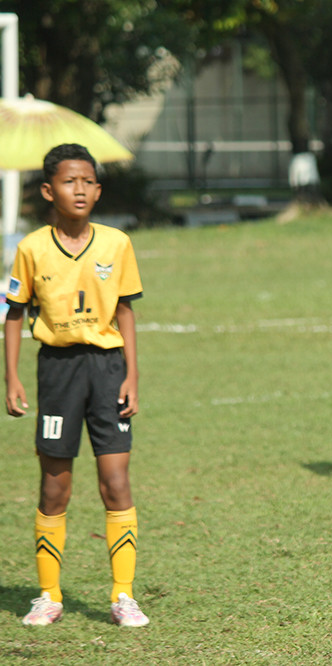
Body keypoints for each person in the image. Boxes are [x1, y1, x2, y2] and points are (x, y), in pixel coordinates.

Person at [4, 143, 149, 627]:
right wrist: (12, 376)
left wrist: (131, 374)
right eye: (69, 181)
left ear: (99, 190)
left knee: (116, 482)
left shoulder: (116, 244)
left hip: (108, 369)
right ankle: (48, 595)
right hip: (57, 371)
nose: (80, 189)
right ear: (49, 191)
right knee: (54, 488)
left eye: (88, 181)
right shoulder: (31, 248)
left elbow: (125, 310)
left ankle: (124, 596)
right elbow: (14, 313)